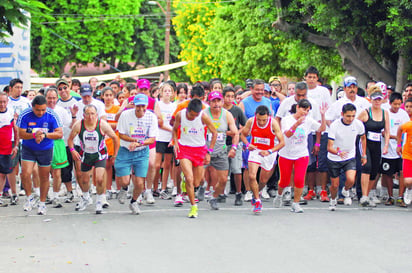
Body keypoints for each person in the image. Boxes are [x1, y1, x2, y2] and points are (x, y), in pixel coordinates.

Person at [273, 99, 327, 213]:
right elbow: (287, 134)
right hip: (286, 153)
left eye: (307, 111)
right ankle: (279, 195)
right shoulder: (287, 120)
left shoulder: (309, 120)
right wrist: (297, 123)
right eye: (304, 109)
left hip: (301, 154)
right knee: (284, 180)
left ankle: (296, 203)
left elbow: (322, 128)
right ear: (297, 107)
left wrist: (322, 115)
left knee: (299, 179)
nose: (305, 113)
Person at [68, 105, 119, 214]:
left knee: (99, 178)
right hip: (86, 154)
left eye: (92, 114)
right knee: (85, 180)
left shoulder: (102, 124)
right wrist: (72, 150)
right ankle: (86, 198)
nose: (90, 116)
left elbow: (115, 138)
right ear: (84, 115)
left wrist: (115, 154)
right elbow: (70, 139)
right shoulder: (78, 125)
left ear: (96, 115)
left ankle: (100, 200)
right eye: (88, 114)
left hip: (99, 154)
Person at [17, 95, 63, 215]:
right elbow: (20, 134)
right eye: (38, 110)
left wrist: (45, 135)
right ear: (32, 107)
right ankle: (29, 198)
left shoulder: (51, 115)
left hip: (45, 149)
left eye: (43, 110)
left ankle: (42, 203)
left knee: (44, 177)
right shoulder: (25, 115)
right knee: (25, 174)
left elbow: (59, 133)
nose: (41, 112)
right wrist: (34, 135)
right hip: (29, 148)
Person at [172, 99, 217, 218]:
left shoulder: (203, 116)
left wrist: (209, 151)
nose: (194, 117)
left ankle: (197, 184)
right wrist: (175, 142)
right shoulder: (180, 115)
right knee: (189, 178)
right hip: (184, 149)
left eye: (196, 115)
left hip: (199, 150)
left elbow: (214, 133)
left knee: (197, 181)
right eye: (192, 114)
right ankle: (193, 207)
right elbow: (175, 129)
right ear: (188, 110)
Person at [115, 94, 158, 214]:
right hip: (126, 150)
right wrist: (132, 141)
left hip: (142, 151)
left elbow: (152, 139)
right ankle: (124, 188)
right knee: (124, 180)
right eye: (138, 106)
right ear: (134, 105)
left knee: (139, 183)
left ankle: (133, 202)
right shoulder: (125, 115)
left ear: (146, 106)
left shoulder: (151, 117)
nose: (140, 109)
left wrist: (139, 143)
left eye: (142, 106)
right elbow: (121, 134)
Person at [240, 105, 285, 214]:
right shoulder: (251, 121)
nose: (261, 122)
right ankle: (257, 201)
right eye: (259, 120)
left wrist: (269, 151)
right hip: (255, 150)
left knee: (263, 180)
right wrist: (247, 144)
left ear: (268, 117)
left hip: (269, 152)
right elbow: (242, 135)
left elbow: (282, 143)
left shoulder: (273, 123)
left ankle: (257, 192)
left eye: (264, 120)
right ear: (256, 116)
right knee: (252, 175)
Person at [327, 103, 366, 211]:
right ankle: (333, 200)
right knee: (334, 185)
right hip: (334, 158)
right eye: (348, 116)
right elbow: (329, 147)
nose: (351, 119)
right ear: (342, 114)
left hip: (350, 156)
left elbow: (363, 138)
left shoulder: (358, 124)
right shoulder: (335, 125)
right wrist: (338, 153)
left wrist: (364, 154)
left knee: (351, 179)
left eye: (353, 116)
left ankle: (345, 190)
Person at [238, 79, 273, 202]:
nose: (259, 92)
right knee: (248, 168)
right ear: (251, 89)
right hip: (250, 140)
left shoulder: (268, 101)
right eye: (257, 89)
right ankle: (248, 191)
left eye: (262, 90)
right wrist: (246, 142)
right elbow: (241, 123)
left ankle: (262, 188)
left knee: (266, 168)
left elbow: (271, 120)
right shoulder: (244, 103)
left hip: (266, 141)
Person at [205, 91, 239, 210]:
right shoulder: (204, 114)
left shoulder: (227, 114)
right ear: (209, 102)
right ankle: (200, 187)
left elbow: (235, 133)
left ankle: (214, 197)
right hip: (204, 151)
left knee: (223, 180)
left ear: (222, 101)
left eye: (218, 101)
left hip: (221, 151)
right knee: (197, 179)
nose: (216, 104)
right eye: (213, 101)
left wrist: (234, 148)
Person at [357, 89, 390, 207]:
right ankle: (364, 197)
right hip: (365, 143)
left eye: (379, 99)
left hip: (377, 143)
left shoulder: (384, 113)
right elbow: (355, 124)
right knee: (367, 166)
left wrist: (386, 145)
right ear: (371, 100)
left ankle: (367, 194)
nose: (377, 102)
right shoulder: (365, 112)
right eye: (375, 99)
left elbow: (386, 130)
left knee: (374, 169)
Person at [304, 66, 332, 202]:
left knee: (322, 163)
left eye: (314, 77)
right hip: (307, 131)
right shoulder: (303, 91)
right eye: (309, 77)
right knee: (310, 163)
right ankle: (310, 190)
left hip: (322, 130)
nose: (311, 79)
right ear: (305, 78)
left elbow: (328, 111)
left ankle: (323, 190)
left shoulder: (324, 91)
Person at [45, 87, 72, 208]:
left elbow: (69, 125)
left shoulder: (61, 111)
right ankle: (44, 195)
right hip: (43, 144)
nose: (51, 100)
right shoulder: (40, 110)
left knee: (57, 172)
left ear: (57, 98)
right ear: (45, 98)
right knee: (43, 172)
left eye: (54, 98)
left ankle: (55, 197)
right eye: (49, 98)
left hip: (58, 143)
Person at [380, 92, 409, 205]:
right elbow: (383, 132)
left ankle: (400, 197)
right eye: (395, 104)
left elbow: (406, 131)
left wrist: (400, 141)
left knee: (402, 172)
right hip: (388, 149)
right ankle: (390, 196)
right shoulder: (385, 114)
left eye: (399, 104)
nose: (397, 106)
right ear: (390, 103)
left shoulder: (403, 115)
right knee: (388, 173)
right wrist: (393, 137)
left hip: (401, 149)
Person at [222, 86, 247, 205]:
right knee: (222, 170)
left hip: (235, 143)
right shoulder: (219, 110)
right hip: (221, 143)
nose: (230, 99)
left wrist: (237, 133)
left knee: (237, 169)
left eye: (232, 96)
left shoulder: (237, 110)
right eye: (228, 96)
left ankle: (238, 193)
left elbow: (246, 125)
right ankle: (221, 192)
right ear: (223, 97)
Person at [153, 83, 176, 200]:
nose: (167, 93)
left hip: (170, 138)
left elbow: (175, 122)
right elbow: (159, 123)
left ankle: (163, 188)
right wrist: (171, 129)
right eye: (165, 91)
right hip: (159, 137)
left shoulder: (174, 106)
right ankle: (154, 187)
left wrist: (174, 134)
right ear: (161, 93)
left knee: (167, 164)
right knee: (157, 165)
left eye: (169, 91)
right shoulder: (158, 105)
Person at [0, 92, 19, 206]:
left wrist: (16, 146)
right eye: (0, 102)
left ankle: (14, 194)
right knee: (1, 174)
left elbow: (16, 131)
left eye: (4, 102)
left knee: (10, 171)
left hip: (9, 147)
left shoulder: (11, 113)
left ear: (7, 102)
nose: (2, 104)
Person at [102, 87, 120, 202]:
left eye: (110, 95)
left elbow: (119, 124)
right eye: (106, 95)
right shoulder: (101, 109)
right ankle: (108, 188)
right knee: (107, 166)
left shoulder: (117, 109)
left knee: (117, 165)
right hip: (105, 140)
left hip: (115, 140)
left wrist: (107, 126)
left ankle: (119, 189)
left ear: (113, 97)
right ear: (103, 96)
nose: (108, 97)